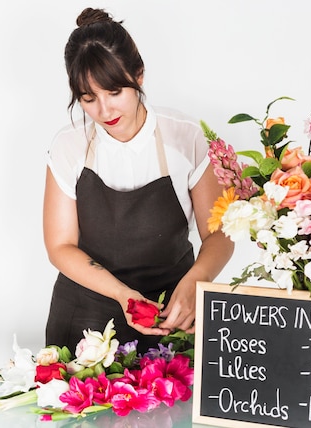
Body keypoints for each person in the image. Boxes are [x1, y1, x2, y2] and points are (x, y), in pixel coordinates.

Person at [43, 7, 234, 352]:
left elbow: (220, 233)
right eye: (89, 98)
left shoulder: (186, 137)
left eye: (114, 92)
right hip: (87, 316)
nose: (105, 111)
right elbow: (60, 246)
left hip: (174, 311)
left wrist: (197, 282)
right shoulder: (68, 145)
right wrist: (121, 293)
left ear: (139, 75)